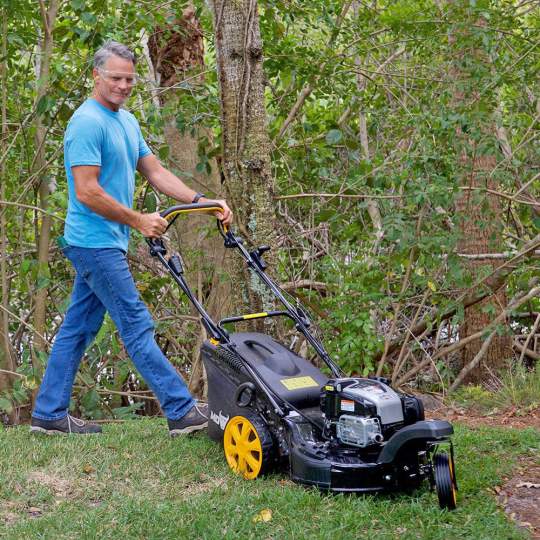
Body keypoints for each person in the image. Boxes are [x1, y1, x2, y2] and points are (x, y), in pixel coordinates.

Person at [30, 40, 232, 436]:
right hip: (93, 242)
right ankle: (180, 410)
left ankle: (49, 414)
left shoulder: (126, 121)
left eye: (129, 79)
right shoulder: (87, 122)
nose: (123, 85)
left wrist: (201, 202)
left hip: (106, 240)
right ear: (96, 75)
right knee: (136, 324)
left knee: (77, 327)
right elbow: (86, 191)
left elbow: (155, 172)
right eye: (115, 78)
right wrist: (139, 220)